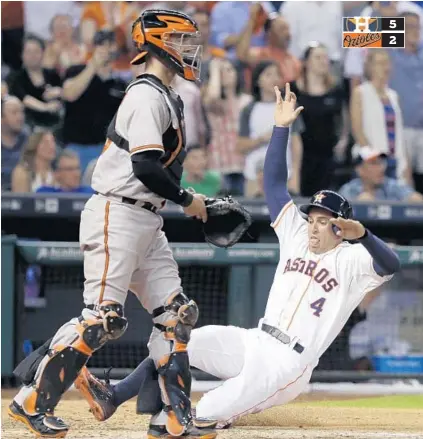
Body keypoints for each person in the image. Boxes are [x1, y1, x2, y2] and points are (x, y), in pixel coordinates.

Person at [72, 84, 400, 429]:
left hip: (289, 363)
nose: (314, 226)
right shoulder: (297, 236)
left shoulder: (352, 260)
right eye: (313, 218)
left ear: (341, 227)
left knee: (207, 411)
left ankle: (188, 418)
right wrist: (281, 128)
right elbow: (274, 185)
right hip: (254, 340)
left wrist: (362, 234)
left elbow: (391, 264)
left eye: (324, 221)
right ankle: (115, 395)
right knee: (179, 342)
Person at [8, 9, 216, 439]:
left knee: (177, 317)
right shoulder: (145, 95)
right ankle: (31, 402)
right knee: (103, 320)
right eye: (179, 41)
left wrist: (199, 201)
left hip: (147, 220)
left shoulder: (167, 95)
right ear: (158, 44)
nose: (187, 50)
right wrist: (188, 200)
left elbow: (164, 173)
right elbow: (144, 166)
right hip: (117, 213)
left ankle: (174, 419)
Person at [350, 50, 411, 184]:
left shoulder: (393, 96)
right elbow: (357, 129)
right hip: (371, 163)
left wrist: (406, 168)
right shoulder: (360, 92)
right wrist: (374, 160)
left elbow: (399, 133)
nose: (386, 67)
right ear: (370, 67)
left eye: (387, 63)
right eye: (380, 63)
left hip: (394, 161)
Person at [339, 147, 423, 202]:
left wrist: (415, 199)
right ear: (360, 170)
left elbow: (416, 199)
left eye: (381, 163)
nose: (381, 168)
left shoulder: (392, 186)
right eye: (374, 164)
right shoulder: (349, 190)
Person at [11, 129, 57, 193]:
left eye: (53, 141)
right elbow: (21, 201)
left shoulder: (57, 173)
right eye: (46, 142)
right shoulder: (22, 172)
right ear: (35, 145)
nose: (52, 146)